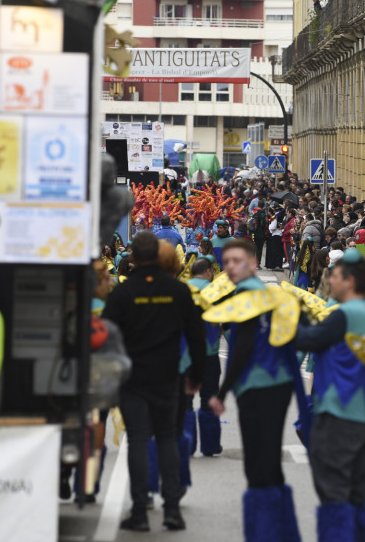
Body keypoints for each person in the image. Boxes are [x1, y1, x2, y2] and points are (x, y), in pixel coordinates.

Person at [102, 232, 206, 532]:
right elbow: (196, 336)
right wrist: (196, 375)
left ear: (132, 257)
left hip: (133, 377)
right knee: (166, 438)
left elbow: (107, 334)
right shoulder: (177, 290)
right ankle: (172, 510)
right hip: (168, 376)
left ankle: (139, 509)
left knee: (138, 439)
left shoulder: (123, 293)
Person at [207, 239, 303, 541]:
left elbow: (242, 347)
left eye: (237, 261)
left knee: (258, 464)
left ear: (252, 263)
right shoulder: (268, 293)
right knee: (269, 460)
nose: (230, 267)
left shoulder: (247, 295)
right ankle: (282, 529)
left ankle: (265, 531)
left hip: (258, 385)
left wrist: (221, 393)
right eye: (226, 261)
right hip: (278, 383)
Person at [294, 250, 365, 540]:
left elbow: (308, 340)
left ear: (350, 280)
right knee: (355, 489)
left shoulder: (345, 314)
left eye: (335, 275)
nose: (329, 279)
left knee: (334, 487)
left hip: (341, 410)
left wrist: (293, 316)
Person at [186, 258, 223, 457]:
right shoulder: (216, 292)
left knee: (185, 400)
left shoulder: (181, 290)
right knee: (209, 398)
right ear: (209, 271)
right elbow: (227, 325)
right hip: (210, 353)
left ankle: (187, 444)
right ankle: (210, 445)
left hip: (185, 354)